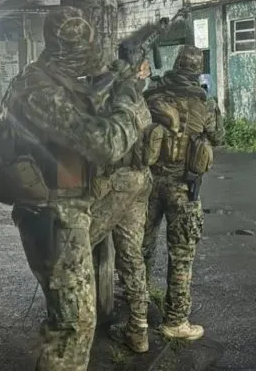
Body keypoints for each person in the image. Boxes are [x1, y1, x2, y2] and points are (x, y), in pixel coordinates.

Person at [0, 7, 151, 370]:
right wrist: (131, 103)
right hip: (54, 216)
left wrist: (118, 79)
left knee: (67, 319)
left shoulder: (51, 80)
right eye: (81, 45)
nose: (88, 53)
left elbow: (87, 104)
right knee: (73, 324)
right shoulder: (39, 91)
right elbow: (104, 143)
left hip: (68, 209)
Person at [141, 46, 224, 341]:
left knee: (140, 251)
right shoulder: (204, 102)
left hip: (147, 185)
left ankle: (136, 319)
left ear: (176, 64)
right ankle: (175, 322)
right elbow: (218, 136)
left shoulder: (152, 96)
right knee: (181, 255)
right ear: (197, 69)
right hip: (184, 189)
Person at [91, 57, 156, 354]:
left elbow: (101, 144)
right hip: (141, 179)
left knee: (77, 244)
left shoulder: (114, 98)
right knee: (131, 256)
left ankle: (76, 327)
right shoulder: (136, 95)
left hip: (119, 181)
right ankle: (139, 330)